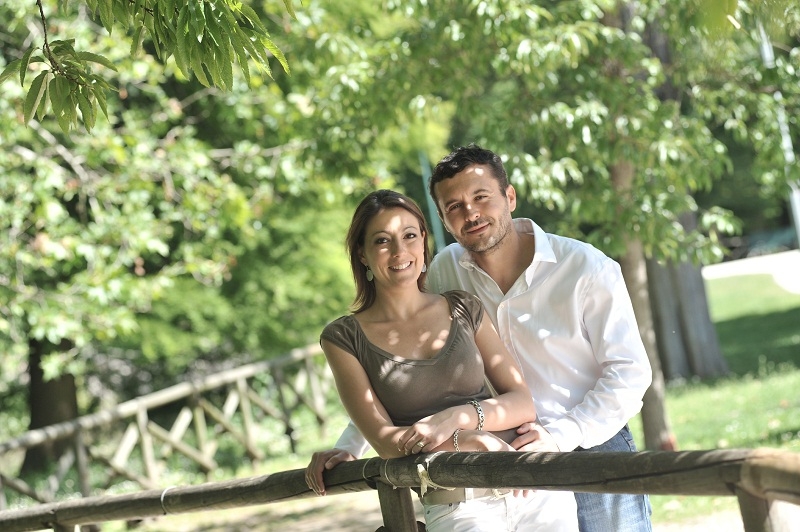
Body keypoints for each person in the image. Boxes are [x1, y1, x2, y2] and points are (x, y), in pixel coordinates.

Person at [306, 145, 654, 532]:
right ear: (442, 219)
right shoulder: (445, 272)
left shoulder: (584, 267)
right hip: (494, 462)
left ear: (510, 197)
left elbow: (630, 373)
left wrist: (559, 436)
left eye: (481, 197)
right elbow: (402, 370)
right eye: (454, 206)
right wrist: (350, 447)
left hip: (590, 441)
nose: (470, 213)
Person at [306, 189, 578, 531]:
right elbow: (386, 442)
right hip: (458, 505)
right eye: (382, 241)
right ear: (362, 253)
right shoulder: (344, 337)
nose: (399, 251)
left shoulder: (463, 307)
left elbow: (522, 403)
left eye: (409, 236)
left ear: (423, 241)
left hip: (532, 487)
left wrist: (459, 418)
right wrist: (466, 440)